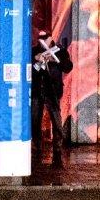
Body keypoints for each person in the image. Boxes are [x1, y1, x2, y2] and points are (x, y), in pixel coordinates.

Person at [31, 29, 74, 163]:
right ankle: (37, 147)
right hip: (37, 90)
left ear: (50, 39)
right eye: (40, 39)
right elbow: (28, 68)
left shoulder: (59, 51)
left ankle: (57, 149)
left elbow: (68, 67)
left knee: (56, 120)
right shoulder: (33, 51)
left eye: (45, 38)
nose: (42, 41)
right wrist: (36, 59)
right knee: (34, 120)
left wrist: (57, 60)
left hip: (53, 91)